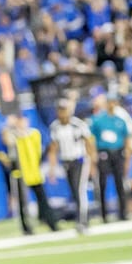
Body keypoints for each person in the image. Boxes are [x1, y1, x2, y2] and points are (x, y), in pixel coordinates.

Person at [0, 113, 60, 234]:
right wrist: (9, 126)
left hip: (34, 171)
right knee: (23, 204)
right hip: (20, 174)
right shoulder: (12, 135)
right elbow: (6, 139)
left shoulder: (34, 133)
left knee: (43, 200)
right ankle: (27, 228)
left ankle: (51, 223)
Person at [47, 98, 97, 234]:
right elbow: (53, 149)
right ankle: (82, 218)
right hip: (66, 162)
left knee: (79, 190)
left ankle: (83, 221)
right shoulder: (55, 127)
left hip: (80, 160)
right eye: (60, 110)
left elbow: (89, 142)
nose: (62, 113)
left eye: (64, 110)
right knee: (74, 191)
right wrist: (52, 168)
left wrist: (92, 161)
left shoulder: (78, 125)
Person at [89, 92, 132, 221]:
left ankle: (123, 213)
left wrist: (127, 156)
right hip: (103, 152)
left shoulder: (120, 120)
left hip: (118, 152)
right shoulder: (98, 120)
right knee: (102, 183)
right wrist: (93, 155)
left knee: (120, 183)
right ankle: (104, 214)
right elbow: (91, 139)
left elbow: (126, 139)